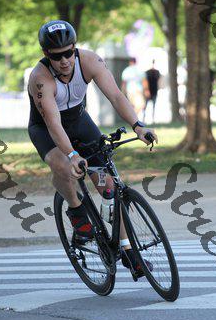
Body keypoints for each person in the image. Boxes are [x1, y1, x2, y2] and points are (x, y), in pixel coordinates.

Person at [27, 20, 158, 277]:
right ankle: (76, 210)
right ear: (45, 54)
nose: (64, 61)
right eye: (57, 56)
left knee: (109, 186)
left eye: (69, 53)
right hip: (46, 129)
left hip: (79, 121)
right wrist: (72, 155)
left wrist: (138, 126)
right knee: (63, 166)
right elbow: (53, 123)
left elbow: (116, 96)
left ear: (75, 48)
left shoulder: (90, 61)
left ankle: (128, 251)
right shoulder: (40, 79)